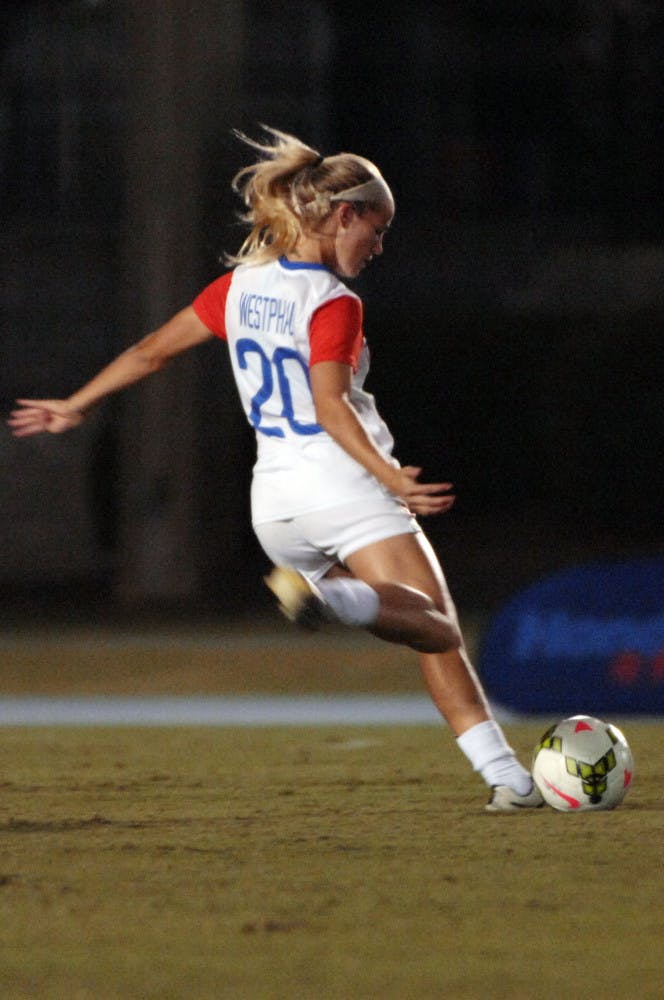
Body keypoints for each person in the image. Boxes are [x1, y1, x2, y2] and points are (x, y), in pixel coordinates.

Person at [9, 126, 542, 812]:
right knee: (438, 626)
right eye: (375, 231)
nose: (377, 248)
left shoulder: (241, 285)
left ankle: (513, 783)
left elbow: (149, 351)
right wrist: (391, 475)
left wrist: (74, 404)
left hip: (275, 507)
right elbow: (328, 404)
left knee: (411, 622)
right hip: (342, 488)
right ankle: (345, 613)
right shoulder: (332, 301)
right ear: (343, 215)